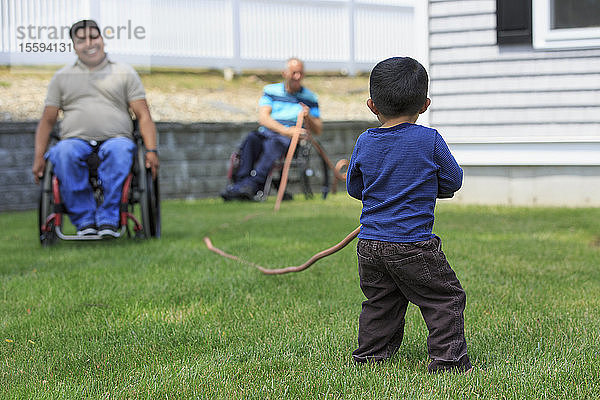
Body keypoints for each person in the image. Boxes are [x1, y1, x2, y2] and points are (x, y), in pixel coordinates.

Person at [346, 57, 472, 373]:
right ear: (425, 104)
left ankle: (369, 358)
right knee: (445, 298)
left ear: (372, 105)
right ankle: (449, 362)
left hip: (370, 244)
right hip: (412, 244)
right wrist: (427, 187)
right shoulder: (429, 140)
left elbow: (354, 187)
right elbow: (453, 180)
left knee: (381, 302)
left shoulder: (364, 141)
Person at [32, 19, 159, 238]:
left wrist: (151, 151)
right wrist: (38, 157)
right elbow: (47, 120)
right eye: (81, 40)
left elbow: (143, 115)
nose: (89, 43)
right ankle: (85, 221)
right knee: (62, 152)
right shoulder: (61, 77)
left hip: (116, 139)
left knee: (120, 150)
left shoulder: (124, 72)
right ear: (74, 45)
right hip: (74, 140)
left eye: (94, 37)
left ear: (102, 39)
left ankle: (108, 219)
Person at [221, 57, 322, 200]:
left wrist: (308, 117)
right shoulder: (270, 91)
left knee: (276, 143)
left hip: (289, 141)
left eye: (300, 73)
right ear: (284, 73)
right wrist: (285, 130)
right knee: (251, 139)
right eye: (294, 73)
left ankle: (253, 184)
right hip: (270, 133)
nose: (297, 77)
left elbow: (318, 129)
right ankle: (240, 183)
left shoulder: (310, 97)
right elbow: (263, 118)